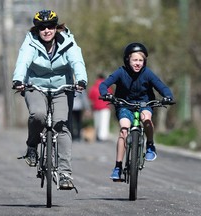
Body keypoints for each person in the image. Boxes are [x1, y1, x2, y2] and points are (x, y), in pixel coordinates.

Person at [12, 9, 87, 189]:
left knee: (61, 125)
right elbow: (23, 61)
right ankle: (32, 146)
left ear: (56, 28)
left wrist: (82, 79)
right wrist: (18, 79)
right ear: (37, 29)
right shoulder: (30, 43)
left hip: (62, 88)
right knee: (38, 115)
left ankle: (65, 174)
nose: (47, 31)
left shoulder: (68, 42)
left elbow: (77, 61)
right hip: (35, 86)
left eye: (50, 27)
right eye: (42, 27)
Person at [99, 42, 174, 180]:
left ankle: (150, 144)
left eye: (141, 60)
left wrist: (168, 96)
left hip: (145, 104)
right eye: (135, 60)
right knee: (124, 130)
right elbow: (104, 84)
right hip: (124, 105)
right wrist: (106, 94)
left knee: (146, 119)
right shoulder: (121, 72)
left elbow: (162, 87)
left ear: (144, 61)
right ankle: (118, 166)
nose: (138, 63)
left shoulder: (147, 73)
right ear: (128, 60)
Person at [88, 74, 113, 141]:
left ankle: (97, 135)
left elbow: (90, 97)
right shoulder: (107, 87)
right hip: (105, 107)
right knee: (104, 122)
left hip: (96, 107)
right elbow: (110, 97)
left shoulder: (93, 87)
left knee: (97, 122)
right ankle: (103, 136)